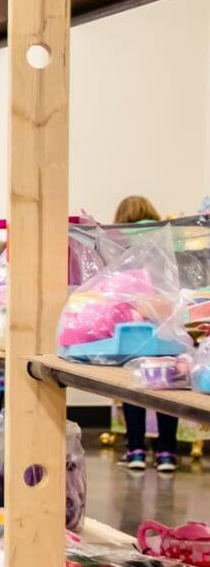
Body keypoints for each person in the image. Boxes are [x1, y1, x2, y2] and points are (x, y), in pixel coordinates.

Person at [113, 195, 178, 473]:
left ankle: (136, 450)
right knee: (167, 388)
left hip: (135, 325)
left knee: (134, 387)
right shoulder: (166, 234)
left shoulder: (121, 240)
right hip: (166, 321)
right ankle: (166, 453)